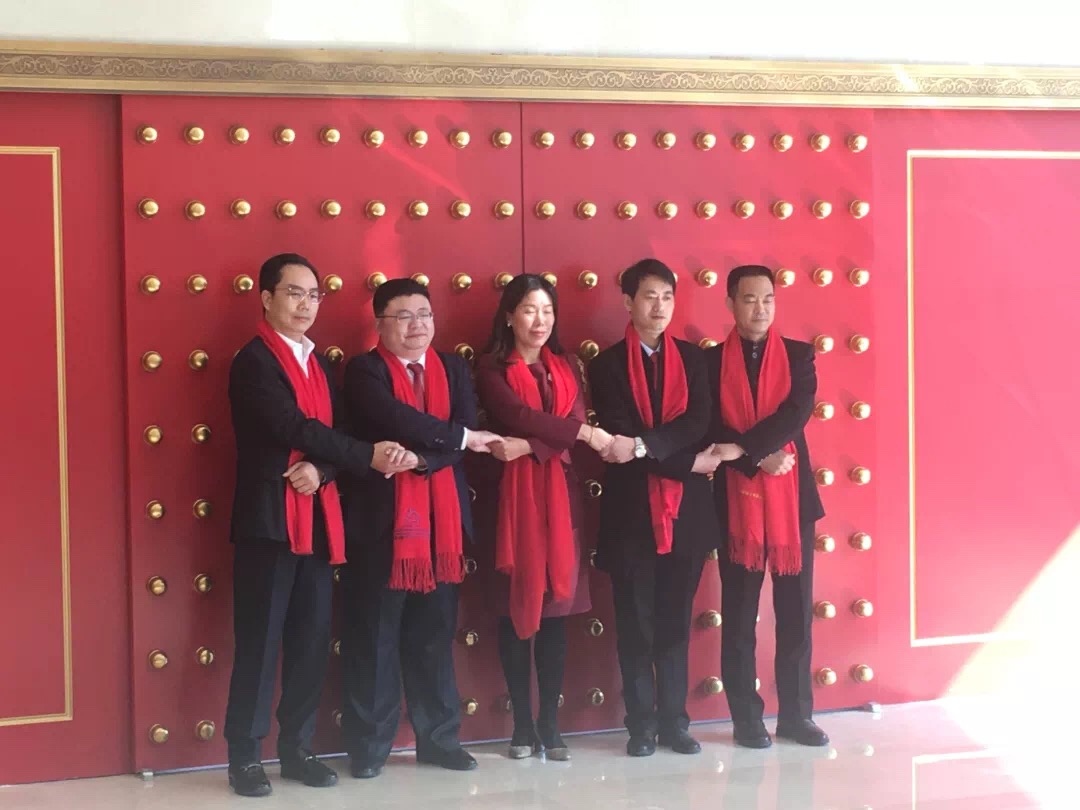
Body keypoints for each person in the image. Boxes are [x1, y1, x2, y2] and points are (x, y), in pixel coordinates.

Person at [223, 253, 415, 798]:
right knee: (260, 644)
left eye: (313, 295)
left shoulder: (319, 363)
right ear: (266, 298)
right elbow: (291, 426)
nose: (306, 304)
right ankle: (244, 757)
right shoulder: (254, 362)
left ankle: (297, 749)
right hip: (268, 522)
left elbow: (334, 433)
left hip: (317, 519)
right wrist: (362, 456)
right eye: (294, 293)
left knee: (309, 641)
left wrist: (325, 468)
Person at [339, 278, 503, 778]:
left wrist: (424, 460)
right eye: (405, 316)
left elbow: (460, 439)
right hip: (382, 526)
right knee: (376, 636)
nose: (418, 326)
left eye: (425, 314)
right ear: (380, 324)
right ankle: (371, 747)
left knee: (434, 635)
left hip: (441, 526)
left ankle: (440, 740)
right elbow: (396, 419)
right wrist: (457, 439)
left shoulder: (452, 368)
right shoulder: (364, 371)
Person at [587, 258, 740, 757]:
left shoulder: (695, 360)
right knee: (635, 623)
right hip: (631, 514)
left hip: (686, 517)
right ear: (628, 302)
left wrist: (642, 448)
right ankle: (641, 726)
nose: (659, 306)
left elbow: (697, 423)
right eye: (649, 296)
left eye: (667, 297)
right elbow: (618, 434)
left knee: (675, 622)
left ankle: (675, 723)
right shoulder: (606, 365)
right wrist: (686, 462)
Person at [473, 274, 614, 761]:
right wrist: (585, 436)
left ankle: (550, 726)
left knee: (556, 612)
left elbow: (563, 423)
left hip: (562, 502)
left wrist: (531, 447)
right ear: (509, 315)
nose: (540, 320)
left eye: (548, 310)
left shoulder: (568, 365)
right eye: (530, 309)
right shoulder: (490, 368)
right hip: (510, 507)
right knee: (515, 610)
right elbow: (520, 416)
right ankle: (521, 727)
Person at [705, 264, 829, 749]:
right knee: (738, 615)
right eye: (750, 299)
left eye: (768, 299)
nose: (760, 308)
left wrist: (750, 449)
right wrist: (759, 456)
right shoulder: (711, 362)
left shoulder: (799, 355)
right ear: (730, 303)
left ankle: (797, 716)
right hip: (737, 503)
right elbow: (711, 425)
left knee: (795, 614)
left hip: (792, 502)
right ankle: (746, 718)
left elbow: (796, 414)